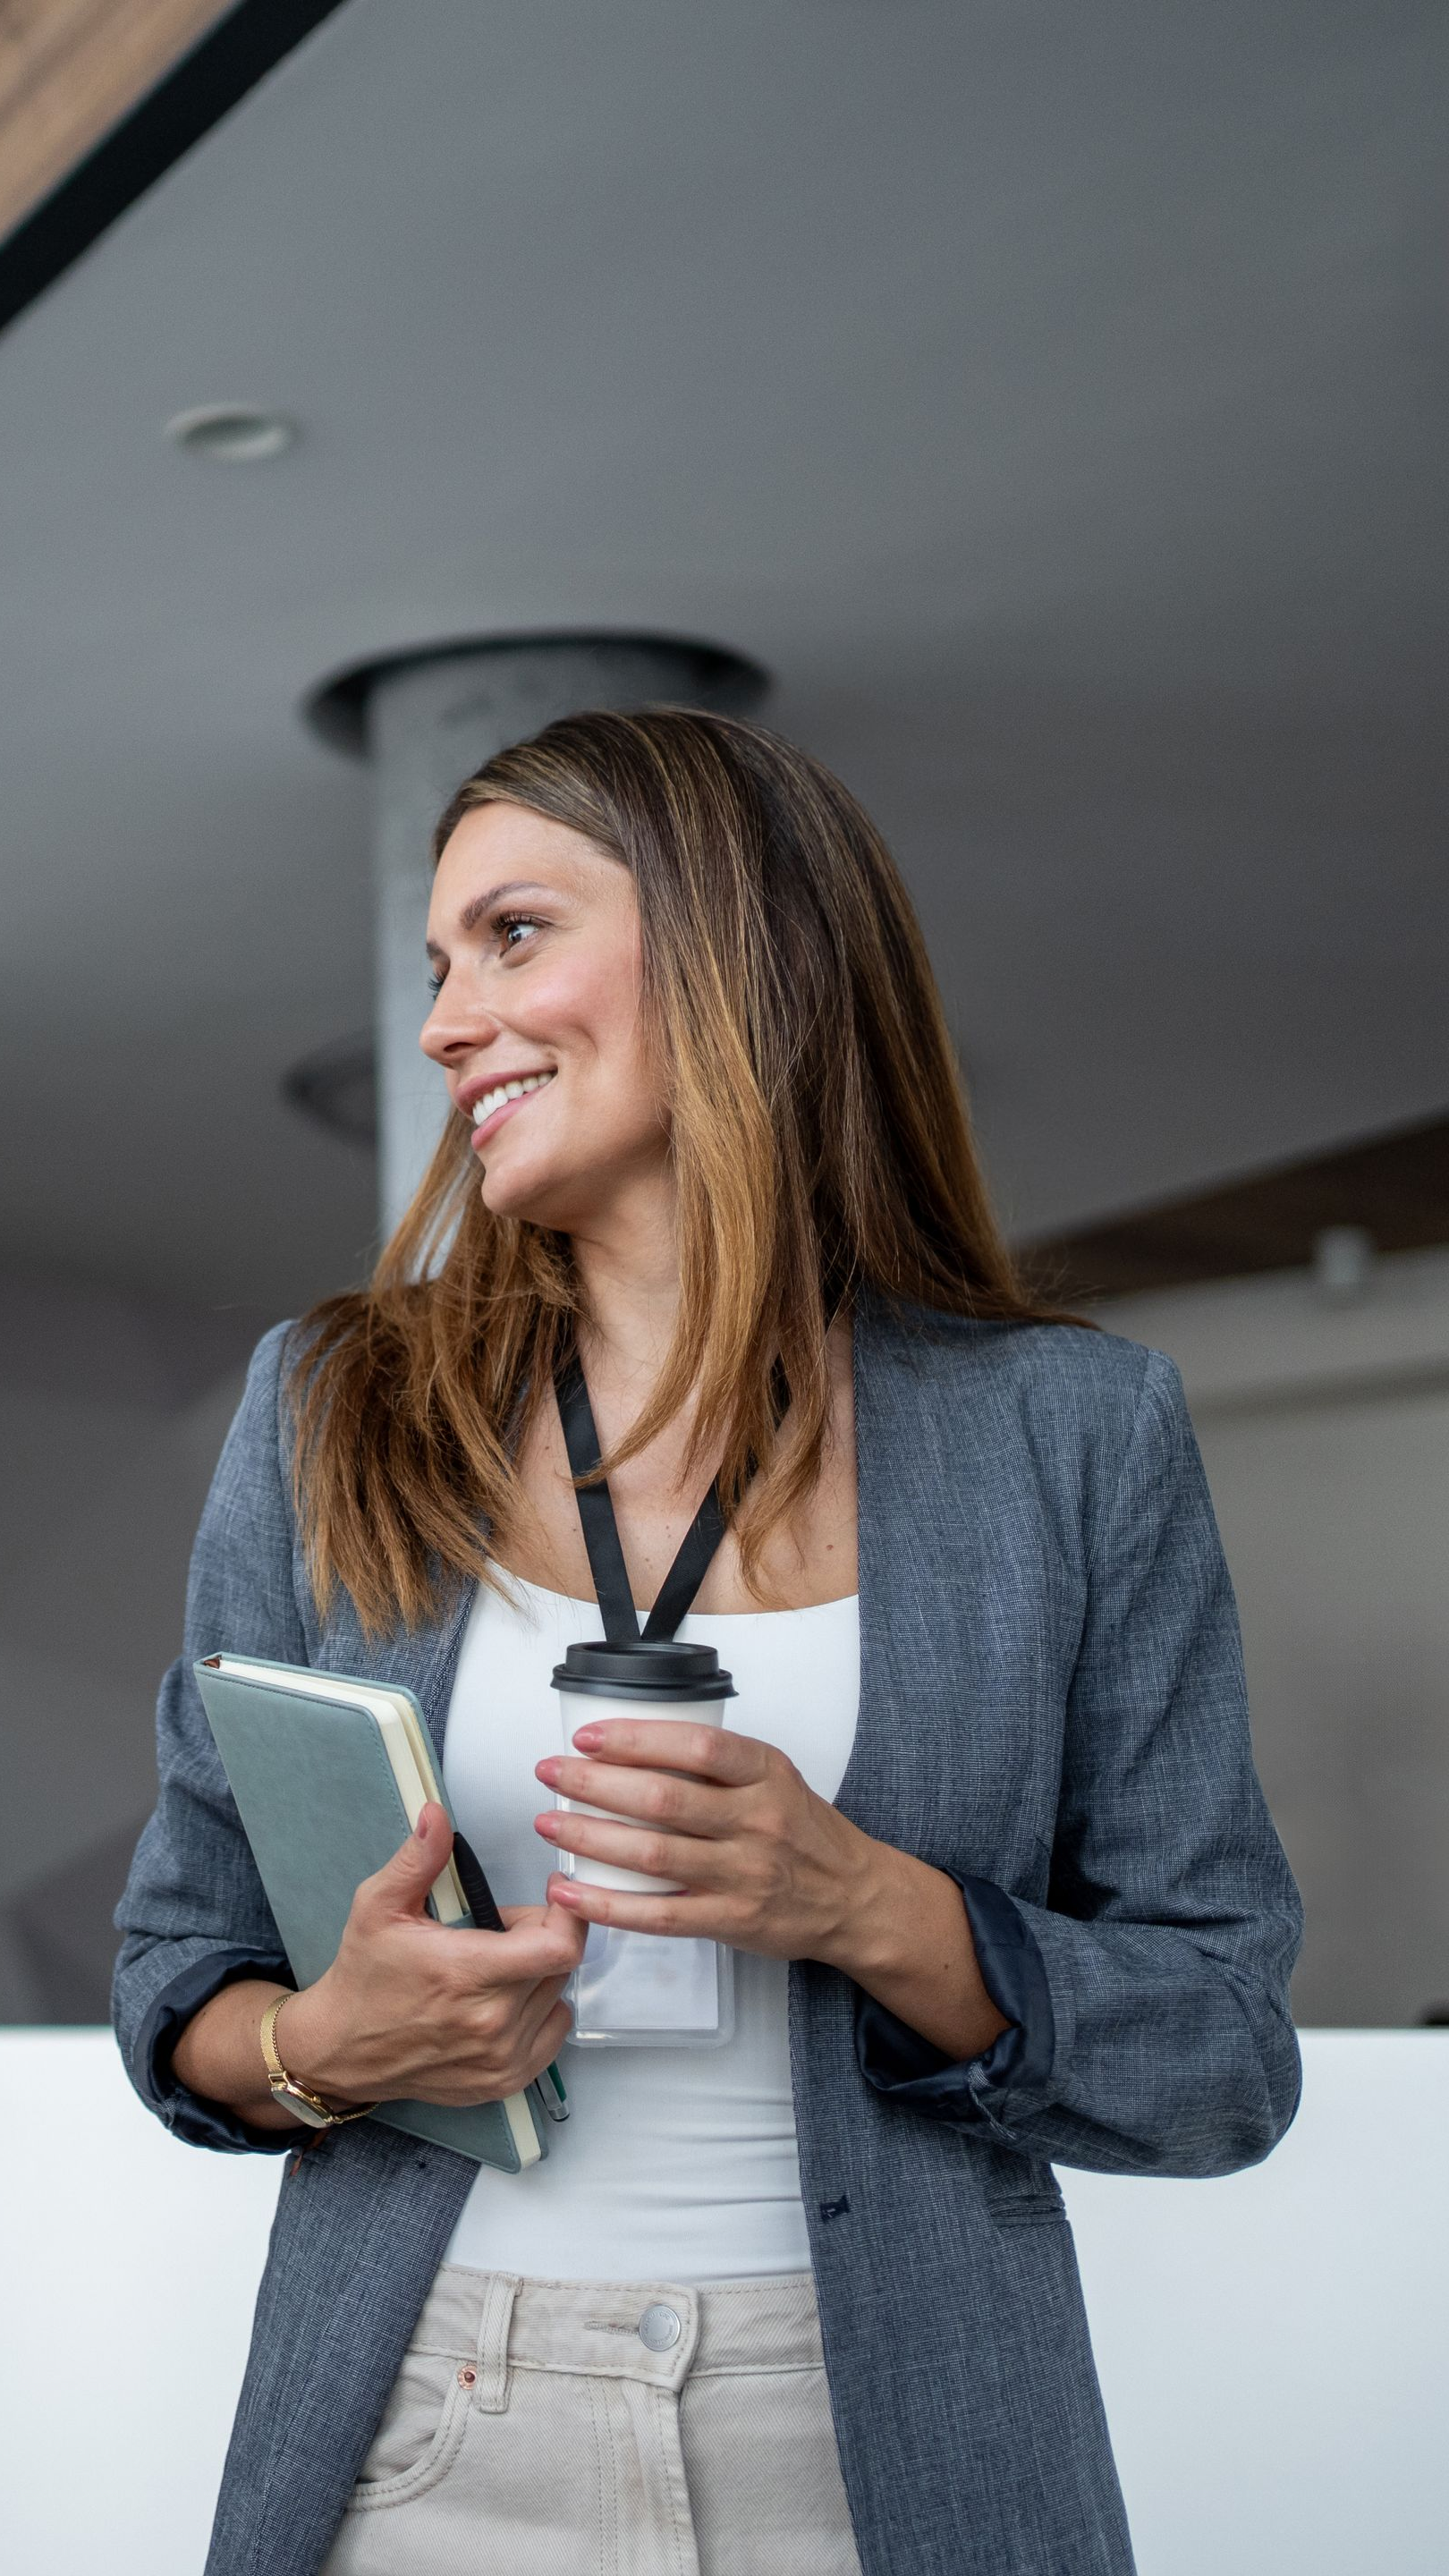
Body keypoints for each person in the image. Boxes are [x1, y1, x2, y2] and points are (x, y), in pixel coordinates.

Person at [114, 708, 1303, 2576]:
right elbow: (181, 1968)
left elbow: (1221, 2056)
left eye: (512, 935)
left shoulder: (1072, 1435)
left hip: (889, 2452)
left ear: (739, 939)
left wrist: (869, 1908)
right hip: (425, 2436)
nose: (441, 1022)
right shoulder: (329, 1407)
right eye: (435, 965)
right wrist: (326, 2043)